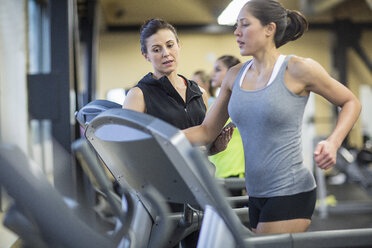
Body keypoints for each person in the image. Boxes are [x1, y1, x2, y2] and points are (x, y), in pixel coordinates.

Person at [183, 0, 361, 235]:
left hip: (291, 191)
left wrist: (333, 142)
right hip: (255, 193)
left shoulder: (298, 69)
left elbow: (350, 102)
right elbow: (206, 131)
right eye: (237, 25)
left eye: (245, 25)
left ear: (269, 29)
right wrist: (155, 136)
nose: (237, 32)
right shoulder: (234, 76)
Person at [122, 18, 232, 247]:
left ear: (179, 45)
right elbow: (129, 152)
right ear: (146, 55)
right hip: (162, 194)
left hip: (199, 187)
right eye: (156, 49)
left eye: (170, 45)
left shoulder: (198, 92)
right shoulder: (138, 95)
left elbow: (200, 140)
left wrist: (214, 147)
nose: (165, 53)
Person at [208, 55, 246, 197]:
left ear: (231, 73)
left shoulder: (238, 102)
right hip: (216, 172)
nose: (212, 73)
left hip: (233, 173)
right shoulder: (215, 103)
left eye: (218, 70)